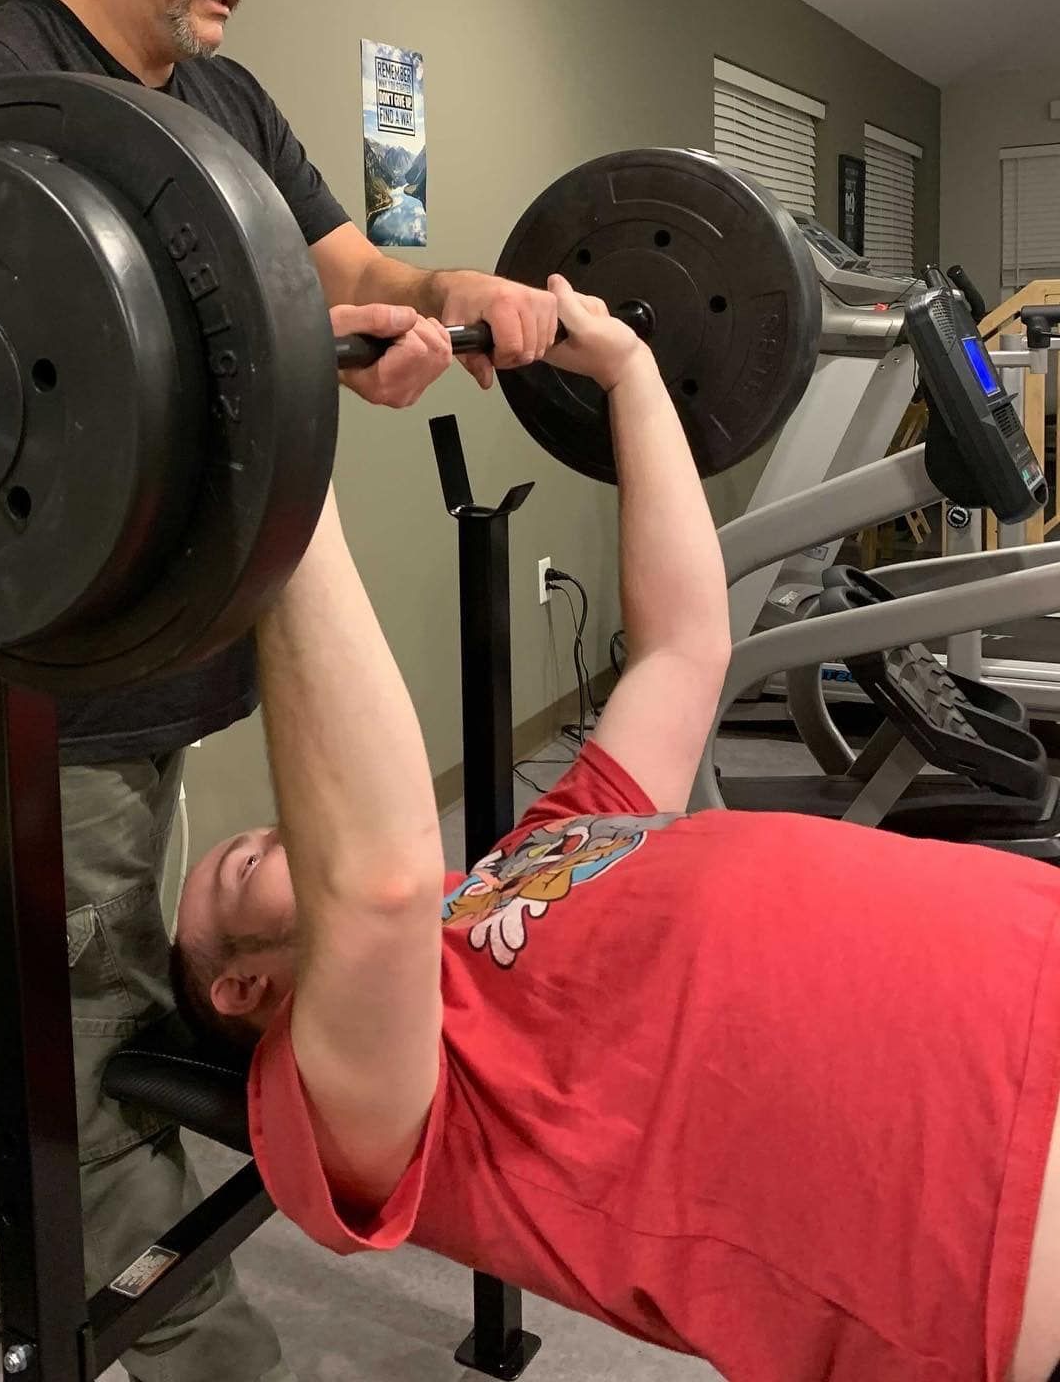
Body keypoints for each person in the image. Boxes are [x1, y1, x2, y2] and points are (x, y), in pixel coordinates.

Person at [0, 0, 558, 1372]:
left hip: (177, 635)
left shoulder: (230, 108)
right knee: (84, 1008)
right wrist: (295, 345)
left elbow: (336, 270)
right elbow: (43, 370)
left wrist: (435, 287)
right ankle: (195, 1345)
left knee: (44, 989)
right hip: (27, 660)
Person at [173, 277, 1060, 1382]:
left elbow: (687, 648)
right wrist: (277, 429)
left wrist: (632, 373)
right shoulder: (364, 1103)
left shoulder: (537, 855)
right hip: (991, 1203)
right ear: (244, 990)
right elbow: (380, 884)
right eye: (247, 859)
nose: (278, 833)